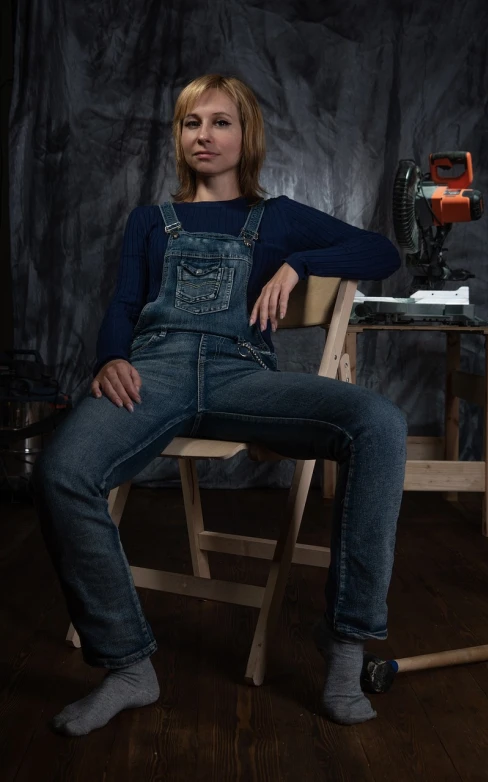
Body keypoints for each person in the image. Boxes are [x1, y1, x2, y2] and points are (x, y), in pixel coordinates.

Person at [32, 74, 408, 737]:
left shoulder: (281, 217)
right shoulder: (149, 221)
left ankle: (346, 643)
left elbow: (382, 252)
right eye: (190, 123)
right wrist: (111, 358)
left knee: (378, 421)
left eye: (220, 121)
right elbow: (122, 305)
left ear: (246, 135)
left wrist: (299, 266)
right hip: (154, 373)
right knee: (63, 471)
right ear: (179, 138)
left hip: (244, 377)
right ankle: (127, 667)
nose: (205, 134)